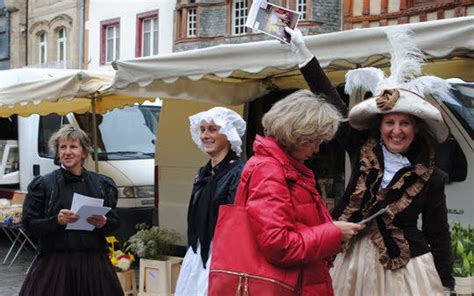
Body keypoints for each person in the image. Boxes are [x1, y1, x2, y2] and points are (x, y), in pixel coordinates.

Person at [286, 27, 454, 295]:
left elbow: (438, 232)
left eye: (404, 123)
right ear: (380, 125)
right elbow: (330, 100)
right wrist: (302, 52)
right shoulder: (361, 148)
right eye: (390, 122)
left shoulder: (432, 176)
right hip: (351, 262)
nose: (396, 131)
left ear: (416, 128)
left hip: (405, 268)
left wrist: (446, 283)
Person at [237, 90, 363, 295]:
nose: (316, 150)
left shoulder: (283, 167)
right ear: (296, 135)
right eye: (314, 141)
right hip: (291, 286)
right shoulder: (270, 170)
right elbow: (279, 245)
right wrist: (334, 233)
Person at [20, 125, 123, 296]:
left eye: (73, 146)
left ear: (84, 152)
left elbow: (115, 221)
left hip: (94, 265)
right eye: (63, 147)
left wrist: (103, 223)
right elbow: (29, 224)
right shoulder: (44, 185)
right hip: (54, 265)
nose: (67, 152)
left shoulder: (101, 184)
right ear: (57, 152)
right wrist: (56, 221)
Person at [175, 107, 247, 296]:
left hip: (222, 254)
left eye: (213, 129)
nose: (206, 135)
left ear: (229, 134)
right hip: (198, 251)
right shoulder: (204, 172)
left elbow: (236, 222)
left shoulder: (238, 173)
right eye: (203, 129)